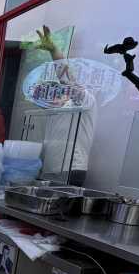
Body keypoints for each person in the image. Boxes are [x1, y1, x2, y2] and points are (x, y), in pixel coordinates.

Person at [32, 25, 94, 186]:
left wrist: (54, 52)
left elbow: (68, 81)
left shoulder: (81, 102)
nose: (45, 101)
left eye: (47, 94)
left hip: (72, 170)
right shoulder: (53, 113)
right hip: (50, 170)